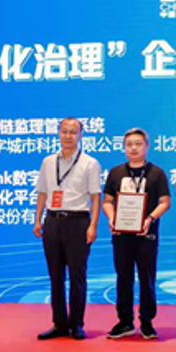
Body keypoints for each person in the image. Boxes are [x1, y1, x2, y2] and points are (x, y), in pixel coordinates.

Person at [33, 117, 102, 340]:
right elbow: (42, 192)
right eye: (64, 131)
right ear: (58, 133)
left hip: (78, 222)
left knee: (77, 276)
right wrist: (38, 220)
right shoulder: (48, 162)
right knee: (55, 276)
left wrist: (93, 225)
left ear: (81, 135)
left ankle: (77, 324)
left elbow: (95, 197)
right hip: (52, 221)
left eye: (73, 132)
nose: (68, 136)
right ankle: (59, 324)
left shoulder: (90, 163)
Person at [102, 128, 171, 340]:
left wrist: (149, 219)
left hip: (146, 235)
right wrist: (112, 218)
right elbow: (107, 201)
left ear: (147, 146)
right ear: (124, 148)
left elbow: (165, 202)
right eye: (129, 144)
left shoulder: (157, 173)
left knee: (147, 278)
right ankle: (125, 322)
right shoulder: (115, 173)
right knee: (123, 278)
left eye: (138, 144)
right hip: (121, 235)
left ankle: (147, 322)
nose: (133, 148)